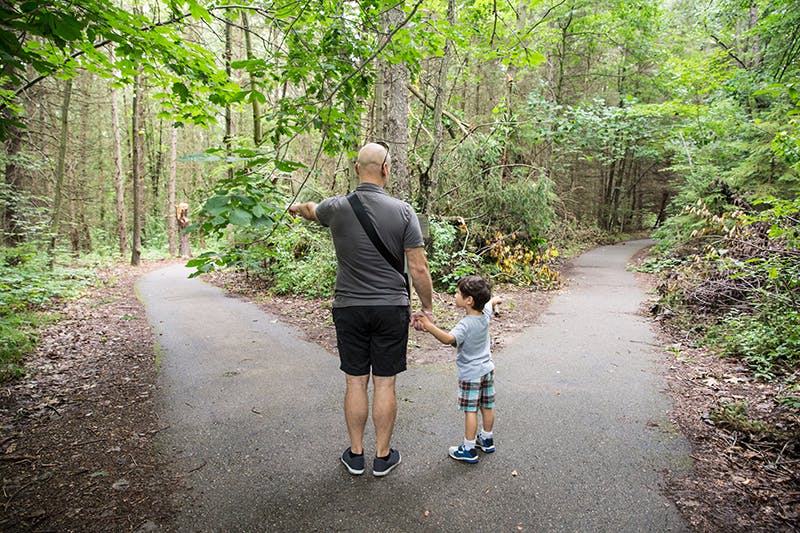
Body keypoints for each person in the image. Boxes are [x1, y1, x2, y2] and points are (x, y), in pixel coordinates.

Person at [289, 142, 434, 477]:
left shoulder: (336, 207)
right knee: (384, 384)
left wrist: (296, 207)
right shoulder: (403, 211)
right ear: (386, 169)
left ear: (356, 170)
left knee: (355, 383)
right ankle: (383, 457)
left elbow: (312, 209)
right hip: (390, 308)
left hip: (349, 308)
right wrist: (425, 307)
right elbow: (419, 269)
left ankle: (356, 455)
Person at [416, 275, 500, 464]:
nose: (455, 295)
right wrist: (496, 300)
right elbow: (492, 301)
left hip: (471, 374)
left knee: (470, 410)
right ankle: (487, 439)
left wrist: (429, 326)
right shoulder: (485, 313)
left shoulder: (465, 324)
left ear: (469, 300)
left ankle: (469, 449)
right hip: (487, 369)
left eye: (458, 293)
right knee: (487, 405)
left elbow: (448, 339)